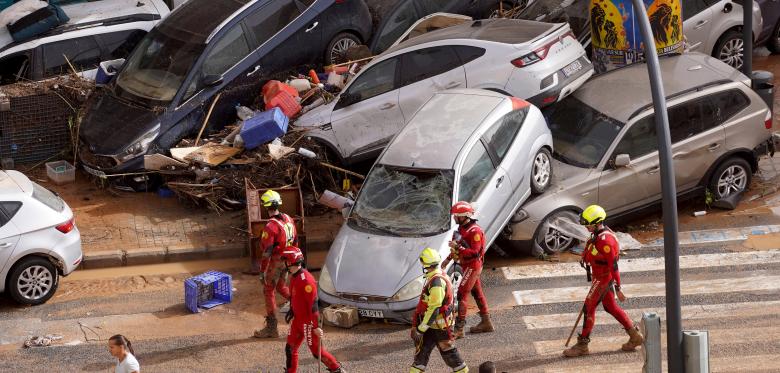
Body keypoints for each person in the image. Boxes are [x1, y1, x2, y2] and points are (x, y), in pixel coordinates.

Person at [563, 205, 644, 357]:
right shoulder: (597, 233)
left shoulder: (606, 241)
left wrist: (618, 288)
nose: (586, 226)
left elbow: (614, 266)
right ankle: (635, 336)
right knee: (610, 307)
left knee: (589, 308)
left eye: (588, 224)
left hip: (603, 279)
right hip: (597, 277)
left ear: (597, 222)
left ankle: (582, 345)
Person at [281, 247, 345, 373]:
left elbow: (313, 305)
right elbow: (295, 297)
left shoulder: (307, 281)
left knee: (317, 352)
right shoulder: (294, 277)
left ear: (291, 262)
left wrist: (315, 326)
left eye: (286, 261)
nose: (285, 264)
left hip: (308, 323)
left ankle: (336, 369)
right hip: (298, 321)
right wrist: (292, 310)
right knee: (290, 349)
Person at [410, 247, 469, 373]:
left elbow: (434, 309)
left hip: (438, 325)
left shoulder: (436, 282)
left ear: (427, 265)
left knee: (448, 352)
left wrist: (420, 329)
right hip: (432, 325)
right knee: (422, 353)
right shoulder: (438, 274)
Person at [445, 201, 493, 339]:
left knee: (461, 294)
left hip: (473, 265)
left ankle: (459, 329)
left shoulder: (475, 231)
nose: (454, 218)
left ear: (464, 216)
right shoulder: (460, 229)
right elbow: (457, 246)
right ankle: (486, 322)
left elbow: (475, 253)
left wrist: (458, 248)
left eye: (456, 216)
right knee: (477, 293)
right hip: (466, 265)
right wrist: (448, 259)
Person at [254, 189, 298, 339]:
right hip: (288, 258)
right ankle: (301, 306)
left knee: (268, 289)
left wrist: (262, 271)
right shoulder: (289, 219)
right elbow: (296, 241)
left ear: (266, 206)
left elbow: (267, 252)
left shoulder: (270, 226)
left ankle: (272, 328)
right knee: (280, 286)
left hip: (277, 260)